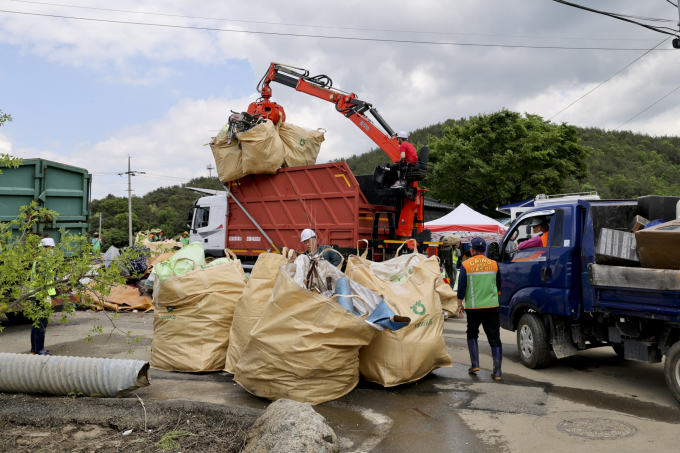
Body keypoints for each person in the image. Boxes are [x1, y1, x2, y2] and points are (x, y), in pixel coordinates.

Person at [457, 237, 503, 381]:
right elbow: (499, 283)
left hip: (474, 308)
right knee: (494, 338)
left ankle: (475, 364)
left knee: (472, 333)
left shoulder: (466, 265)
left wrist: (459, 305)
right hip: (492, 306)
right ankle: (497, 372)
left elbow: (461, 286)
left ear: (472, 249)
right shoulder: (494, 264)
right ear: (484, 250)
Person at [30, 237, 56, 356]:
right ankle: (39, 350)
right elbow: (43, 281)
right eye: (50, 248)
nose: (51, 250)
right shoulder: (42, 261)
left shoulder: (40, 260)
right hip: (41, 296)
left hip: (38, 295)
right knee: (41, 322)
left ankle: (34, 349)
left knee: (36, 322)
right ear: (44, 248)